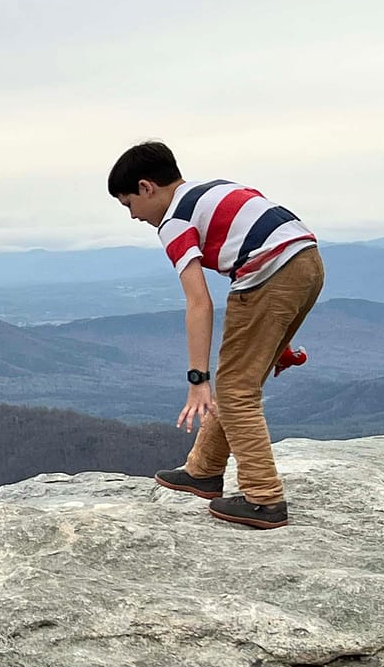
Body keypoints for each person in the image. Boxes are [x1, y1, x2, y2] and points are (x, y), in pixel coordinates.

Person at [109, 141, 324, 529]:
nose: (133, 216)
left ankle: (264, 498)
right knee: (238, 380)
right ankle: (203, 470)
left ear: (146, 187)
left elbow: (198, 303)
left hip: (267, 273)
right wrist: (274, 340)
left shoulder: (173, 221)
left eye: (129, 205)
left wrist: (197, 379)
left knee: (235, 390)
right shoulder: (210, 189)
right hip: (307, 262)